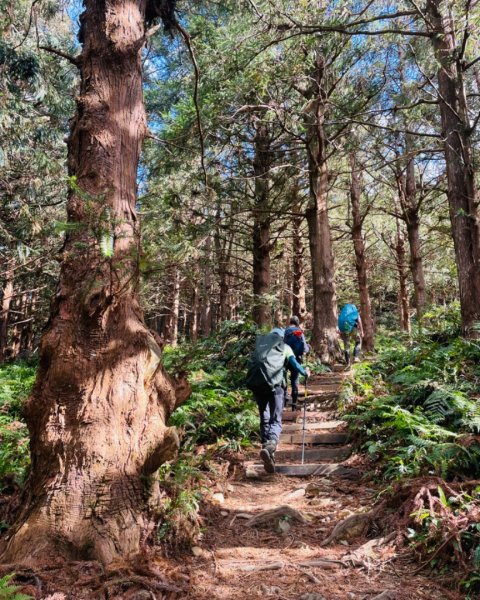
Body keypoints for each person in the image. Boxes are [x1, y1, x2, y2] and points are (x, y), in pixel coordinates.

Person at [245, 327, 310, 473]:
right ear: (282, 337)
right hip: (276, 387)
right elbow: (294, 364)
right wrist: (305, 372)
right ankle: (272, 444)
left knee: (264, 417)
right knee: (276, 419)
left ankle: (267, 450)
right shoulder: (284, 347)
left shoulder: (260, 347)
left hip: (258, 386)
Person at [283, 316, 310, 411]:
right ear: (297, 323)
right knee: (294, 380)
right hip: (297, 359)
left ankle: (284, 400)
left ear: (290, 322)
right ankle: (294, 404)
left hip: (285, 359)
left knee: (284, 379)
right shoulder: (299, 332)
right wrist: (308, 348)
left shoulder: (285, 331)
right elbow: (305, 348)